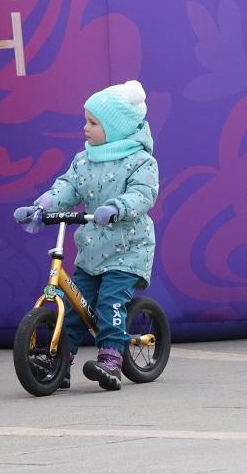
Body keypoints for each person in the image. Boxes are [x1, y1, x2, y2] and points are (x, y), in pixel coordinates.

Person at [13, 80, 159, 390]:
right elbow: (67, 187)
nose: (86, 128)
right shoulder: (84, 160)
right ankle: (59, 361)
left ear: (117, 129)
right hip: (92, 249)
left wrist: (118, 206)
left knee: (111, 303)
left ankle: (111, 358)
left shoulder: (141, 161)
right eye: (86, 120)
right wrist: (43, 207)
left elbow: (143, 193)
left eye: (93, 122)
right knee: (72, 306)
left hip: (127, 249)